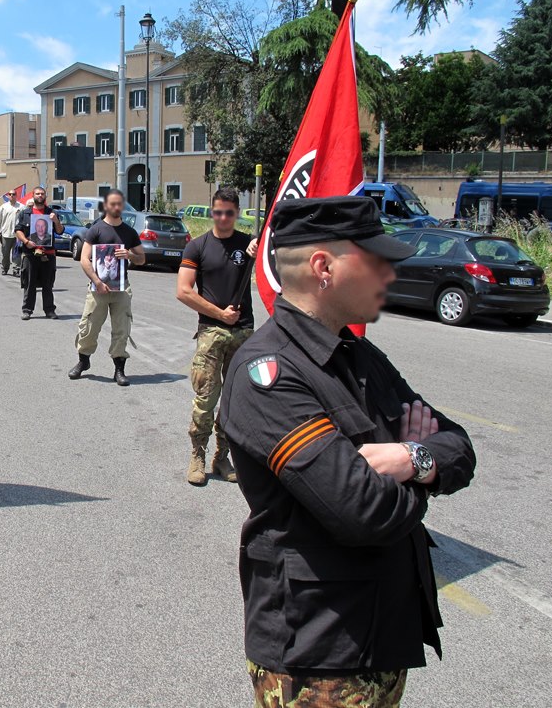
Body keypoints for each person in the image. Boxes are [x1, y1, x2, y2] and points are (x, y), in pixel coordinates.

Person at [222, 197, 476, 707]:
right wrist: (417, 463)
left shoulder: (360, 355)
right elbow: (362, 510)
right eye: (375, 260)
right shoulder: (268, 373)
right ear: (323, 268)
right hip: (319, 655)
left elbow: (458, 446)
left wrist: (410, 459)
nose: (389, 273)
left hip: (383, 633)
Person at [176, 187, 259, 486]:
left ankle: (222, 457)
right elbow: (183, 291)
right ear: (212, 212)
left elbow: (275, 268)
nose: (223, 218)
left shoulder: (249, 244)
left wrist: (259, 250)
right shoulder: (197, 247)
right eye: (218, 212)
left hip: (244, 331)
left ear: (237, 213)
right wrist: (219, 313)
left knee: (235, 400)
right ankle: (198, 455)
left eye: (229, 212)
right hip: (212, 331)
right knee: (206, 397)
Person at [68, 189, 144, 386]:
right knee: (89, 327)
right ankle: (83, 361)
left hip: (121, 289)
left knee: (121, 329)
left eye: (120, 204)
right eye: (113, 204)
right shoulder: (96, 229)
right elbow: (84, 259)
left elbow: (142, 259)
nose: (117, 207)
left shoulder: (129, 232)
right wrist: (97, 281)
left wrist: (130, 256)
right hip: (98, 287)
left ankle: (119, 369)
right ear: (106, 206)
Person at [15, 187, 64, 320]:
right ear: (33, 196)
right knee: (29, 283)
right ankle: (27, 310)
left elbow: (59, 231)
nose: (40, 196)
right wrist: (26, 241)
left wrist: (56, 221)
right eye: (37, 194)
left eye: (42, 194)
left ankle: (49, 310)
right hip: (30, 254)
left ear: (45, 196)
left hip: (48, 254)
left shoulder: (52, 213)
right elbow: (18, 230)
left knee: (48, 284)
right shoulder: (25, 213)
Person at [0, 191, 22, 276]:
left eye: (13, 194)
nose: (12, 196)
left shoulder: (21, 207)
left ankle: (16, 269)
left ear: (16, 195)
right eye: (10, 194)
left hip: (17, 234)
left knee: (16, 253)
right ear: (8, 196)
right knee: (5, 253)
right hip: (6, 234)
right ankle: (4, 268)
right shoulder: (4, 207)